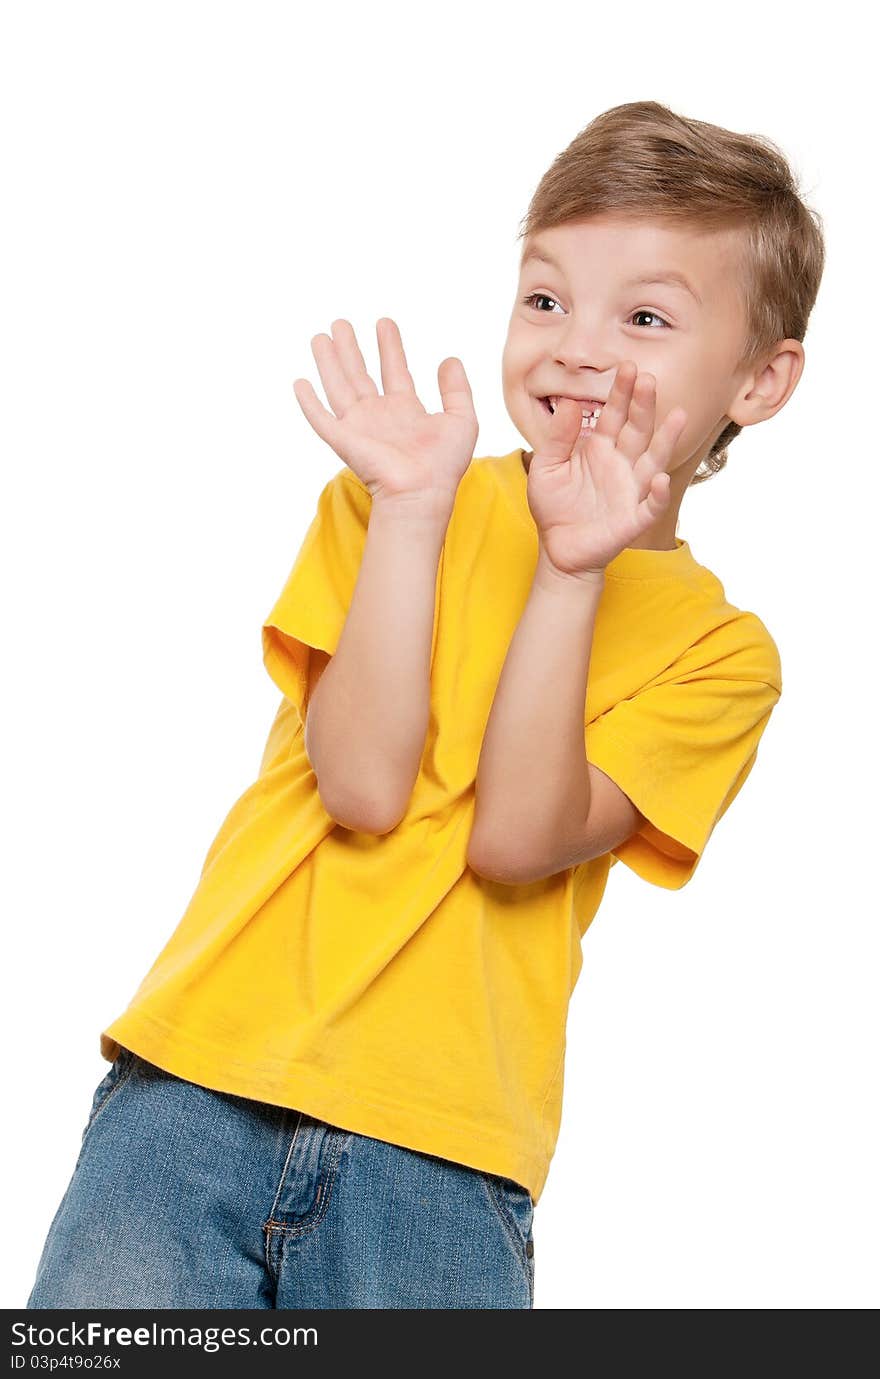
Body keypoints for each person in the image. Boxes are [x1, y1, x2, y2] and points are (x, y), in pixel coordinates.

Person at [26, 99, 825, 1310]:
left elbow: (513, 842)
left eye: (646, 317)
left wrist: (571, 574)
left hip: (442, 1153)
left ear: (760, 382)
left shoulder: (721, 653)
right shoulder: (395, 499)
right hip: (194, 1089)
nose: (573, 346)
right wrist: (408, 512)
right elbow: (358, 784)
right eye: (544, 298)